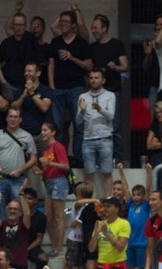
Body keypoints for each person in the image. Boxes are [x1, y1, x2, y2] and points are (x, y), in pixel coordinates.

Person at [48, 9, 92, 160]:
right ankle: (59, 158)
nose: (63, 25)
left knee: (79, 125)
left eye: (67, 22)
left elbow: (89, 66)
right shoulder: (55, 42)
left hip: (76, 88)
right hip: (58, 89)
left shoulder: (81, 43)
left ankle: (79, 158)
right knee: (57, 127)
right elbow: (51, 65)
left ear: (74, 25)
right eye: (61, 22)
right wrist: (52, 86)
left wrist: (72, 57)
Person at [0, 106, 38, 220]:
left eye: (16, 117)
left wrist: (20, 170)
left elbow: (34, 159)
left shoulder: (27, 136)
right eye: (10, 116)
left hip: (18, 179)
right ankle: (0, 237)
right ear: (6, 118)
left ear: (20, 120)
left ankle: (18, 237)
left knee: (19, 210)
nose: (13, 119)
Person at [89, 13, 128, 164]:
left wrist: (116, 67)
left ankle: (117, 158)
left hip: (113, 90)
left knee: (115, 125)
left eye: (96, 28)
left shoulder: (117, 44)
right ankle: (99, 158)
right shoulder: (92, 47)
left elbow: (125, 66)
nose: (94, 31)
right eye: (92, 28)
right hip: (96, 93)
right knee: (98, 124)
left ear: (104, 28)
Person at [75, 68, 116, 195]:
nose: (93, 80)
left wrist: (100, 109)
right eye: (91, 78)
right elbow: (78, 121)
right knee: (89, 173)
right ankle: (89, 203)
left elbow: (111, 116)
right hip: (88, 139)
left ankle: (109, 201)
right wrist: (82, 111)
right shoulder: (83, 96)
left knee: (107, 172)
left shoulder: (110, 95)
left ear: (103, 80)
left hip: (105, 138)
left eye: (96, 77)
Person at [36, 122, 69, 257]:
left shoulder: (58, 146)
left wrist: (49, 163)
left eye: (45, 130)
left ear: (53, 132)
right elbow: (48, 169)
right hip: (49, 182)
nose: (43, 133)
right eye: (42, 130)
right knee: (47, 217)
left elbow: (65, 166)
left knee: (58, 216)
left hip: (58, 181)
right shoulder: (46, 150)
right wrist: (40, 171)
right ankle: (55, 246)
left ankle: (59, 248)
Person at [0, 11, 41, 101]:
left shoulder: (31, 40)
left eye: (21, 24)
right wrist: (3, 82)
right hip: (9, 84)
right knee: (10, 113)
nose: (18, 27)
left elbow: (38, 63)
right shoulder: (6, 42)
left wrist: (34, 82)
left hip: (27, 84)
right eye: (16, 24)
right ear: (13, 26)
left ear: (25, 26)